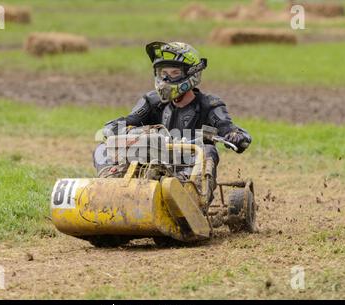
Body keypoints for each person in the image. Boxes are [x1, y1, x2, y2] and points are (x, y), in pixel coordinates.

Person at [93, 41, 251, 202]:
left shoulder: (209, 105)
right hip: (153, 160)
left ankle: (191, 198)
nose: (166, 79)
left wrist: (235, 136)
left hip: (187, 168)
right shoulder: (152, 102)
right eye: (163, 73)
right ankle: (110, 188)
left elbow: (230, 129)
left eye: (174, 73)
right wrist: (115, 129)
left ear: (192, 74)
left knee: (208, 150)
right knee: (103, 148)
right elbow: (129, 121)